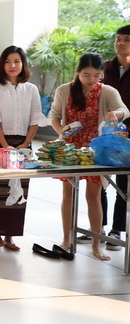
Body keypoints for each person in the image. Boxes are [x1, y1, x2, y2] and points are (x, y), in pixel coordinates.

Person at [49, 53, 128, 261]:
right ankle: (67, 239)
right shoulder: (64, 90)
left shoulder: (107, 91)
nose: (91, 79)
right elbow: (54, 115)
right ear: (78, 72)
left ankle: (96, 244)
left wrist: (116, 114)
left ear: (102, 74)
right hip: (69, 149)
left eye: (96, 75)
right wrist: (62, 130)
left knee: (93, 196)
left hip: (96, 151)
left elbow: (124, 110)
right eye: (86, 75)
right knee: (68, 194)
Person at [0, 46, 46, 251]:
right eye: (8, 61)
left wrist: (26, 143)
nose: (12, 65)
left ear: (23, 64)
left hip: (23, 144)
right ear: (2, 65)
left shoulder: (31, 89)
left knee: (21, 190)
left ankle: (10, 236)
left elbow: (36, 117)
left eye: (17, 61)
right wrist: (6, 147)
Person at [98, 25, 130, 250]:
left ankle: (117, 230)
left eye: (126, 39)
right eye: (118, 39)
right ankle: (98, 227)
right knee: (97, 182)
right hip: (104, 135)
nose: (120, 43)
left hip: (128, 137)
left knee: (124, 185)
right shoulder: (105, 68)